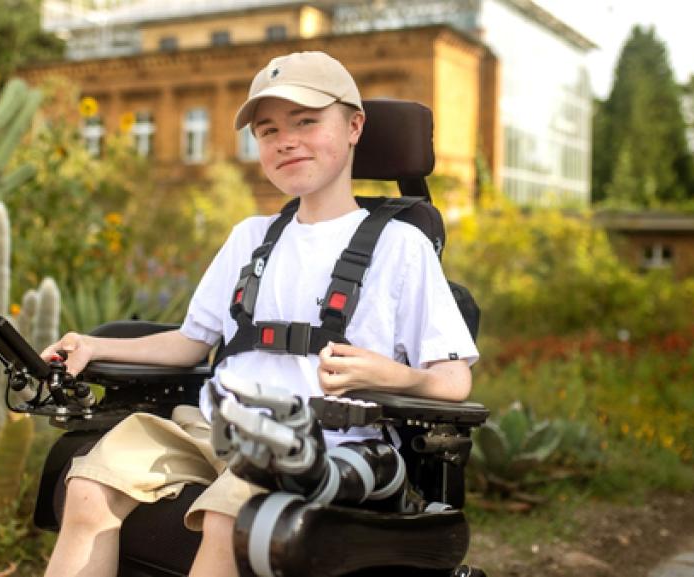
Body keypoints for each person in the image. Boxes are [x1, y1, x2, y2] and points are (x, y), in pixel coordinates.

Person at [41, 51, 479, 577]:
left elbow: (453, 381)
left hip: (323, 444)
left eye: (307, 122)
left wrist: (394, 375)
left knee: (230, 519)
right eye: (268, 131)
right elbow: (188, 342)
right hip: (213, 428)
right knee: (88, 489)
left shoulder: (401, 245)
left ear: (355, 125)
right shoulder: (251, 238)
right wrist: (94, 345)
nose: (285, 140)